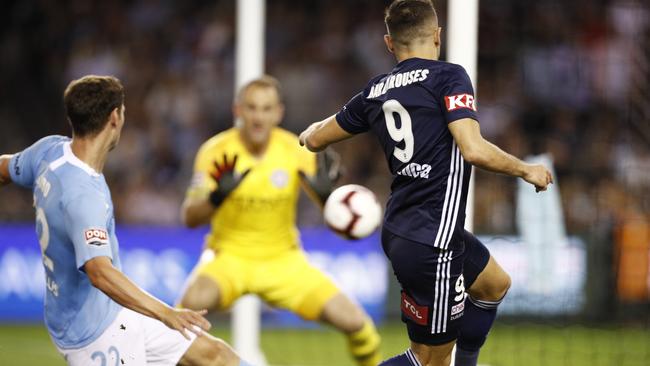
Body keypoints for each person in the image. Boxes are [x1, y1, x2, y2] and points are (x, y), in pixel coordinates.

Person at [298, 1, 553, 366]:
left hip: (409, 227)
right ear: (437, 35)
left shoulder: (376, 90)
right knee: (429, 360)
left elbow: (318, 137)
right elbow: (473, 149)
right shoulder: (448, 77)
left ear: (389, 43)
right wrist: (526, 170)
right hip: (432, 242)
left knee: (493, 284)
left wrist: (309, 134)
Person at [0, 75, 251, 366]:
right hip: (93, 333)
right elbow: (99, 272)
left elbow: (4, 168)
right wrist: (166, 312)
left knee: (218, 356)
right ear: (115, 117)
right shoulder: (83, 195)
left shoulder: (49, 151)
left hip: (115, 313)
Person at [178, 75, 382, 366]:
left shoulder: (294, 150)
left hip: (283, 261)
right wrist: (216, 198)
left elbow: (339, 220)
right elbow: (189, 217)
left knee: (356, 324)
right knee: (178, 323)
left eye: (266, 108)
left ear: (278, 113)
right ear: (238, 111)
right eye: (251, 108)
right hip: (228, 257)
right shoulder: (216, 152)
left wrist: (328, 197)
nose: (258, 117)